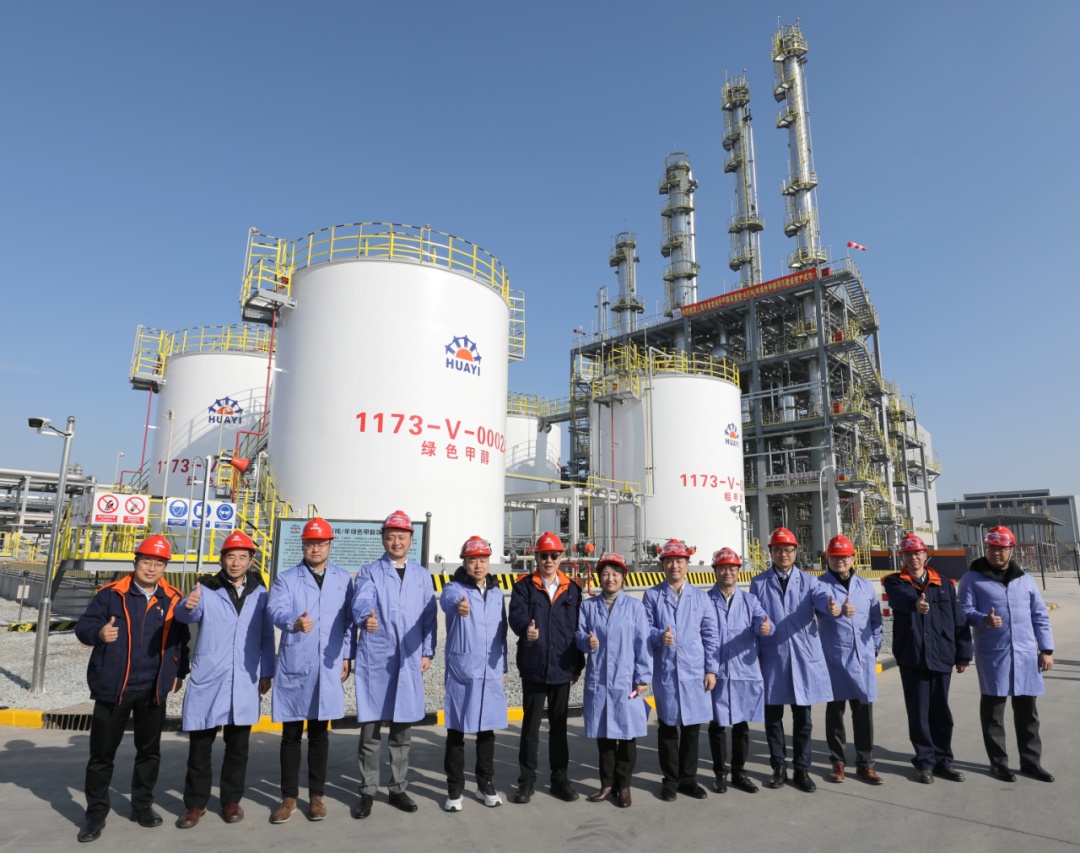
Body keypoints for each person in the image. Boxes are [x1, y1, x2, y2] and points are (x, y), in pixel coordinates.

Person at [74, 535, 190, 843]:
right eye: (146, 562)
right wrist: (99, 633)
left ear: (165, 567)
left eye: (158, 563)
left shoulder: (172, 598)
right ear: (135, 563)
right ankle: (95, 814)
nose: (151, 568)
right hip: (114, 687)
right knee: (102, 755)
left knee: (149, 752)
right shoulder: (110, 594)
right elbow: (83, 627)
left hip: (153, 689)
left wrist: (179, 671)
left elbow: (181, 640)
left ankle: (142, 806)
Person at [174, 530, 275, 828]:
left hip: (245, 675)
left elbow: (266, 635)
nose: (236, 562)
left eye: (242, 557)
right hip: (211, 675)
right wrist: (187, 605)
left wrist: (267, 671)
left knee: (238, 746)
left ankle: (232, 800)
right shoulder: (206, 588)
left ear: (251, 560)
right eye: (231, 556)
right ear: (222, 559)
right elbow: (187, 615)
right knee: (200, 745)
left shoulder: (260, 592)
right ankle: (195, 804)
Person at [267, 517, 355, 823]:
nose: (315, 549)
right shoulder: (286, 579)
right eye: (309, 543)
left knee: (319, 734)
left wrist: (347, 655)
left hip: (328, 663)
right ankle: (289, 797)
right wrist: (293, 621)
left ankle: (316, 796)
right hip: (297, 662)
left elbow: (348, 621)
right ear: (302, 546)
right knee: (291, 734)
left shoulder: (343, 579)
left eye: (320, 543)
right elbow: (275, 609)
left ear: (330, 545)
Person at [352, 510, 438, 817]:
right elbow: (362, 600)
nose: (396, 542)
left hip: (410, 657)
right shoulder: (369, 572)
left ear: (411, 539)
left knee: (402, 729)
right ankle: (367, 789)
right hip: (377, 657)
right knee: (371, 729)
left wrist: (427, 652)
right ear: (383, 539)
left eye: (402, 537)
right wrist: (366, 617)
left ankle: (398, 788)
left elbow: (429, 616)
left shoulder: (421, 575)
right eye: (391, 537)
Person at [957, 526, 1055, 783]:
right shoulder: (972, 578)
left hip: (1025, 654)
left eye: (1002, 548)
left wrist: (1046, 650)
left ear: (1011, 549)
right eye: (992, 548)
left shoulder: (1025, 579)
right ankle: (999, 764)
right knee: (994, 713)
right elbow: (963, 611)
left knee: (1028, 713)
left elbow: (1039, 615)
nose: (996, 553)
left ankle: (1031, 763)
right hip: (994, 654)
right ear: (985, 549)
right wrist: (983, 619)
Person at [749, 527, 839, 793]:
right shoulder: (758, 583)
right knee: (773, 718)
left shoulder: (810, 582)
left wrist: (830, 606)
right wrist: (759, 626)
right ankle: (778, 767)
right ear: (771, 552)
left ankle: (802, 768)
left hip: (802, 657)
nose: (783, 554)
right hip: (773, 657)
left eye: (788, 550)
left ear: (795, 551)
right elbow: (754, 613)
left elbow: (821, 599)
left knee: (803, 719)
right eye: (778, 550)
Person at [882, 532, 972, 784]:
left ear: (925, 555)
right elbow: (900, 599)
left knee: (941, 712)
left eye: (917, 553)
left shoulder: (944, 583)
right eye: (908, 554)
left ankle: (944, 762)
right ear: (902, 557)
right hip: (912, 656)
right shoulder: (895, 582)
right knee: (919, 713)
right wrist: (915, 604)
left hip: (942, 654)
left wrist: (963, 653)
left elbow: (959, 619)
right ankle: (924, 763)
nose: (913, 558)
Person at [508, 531, 585, 804]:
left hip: (562, 667)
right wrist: (524, 630)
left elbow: (578, 629)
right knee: (530, 728)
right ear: (536, 558)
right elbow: (516, 616)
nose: (548, 560)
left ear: (561, 557)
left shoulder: (572, 589)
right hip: (534, 665)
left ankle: (559, 779)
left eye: (553, 555)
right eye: (544, 556)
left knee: (559, 727)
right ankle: (526, 781)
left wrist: (578, 665)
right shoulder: (524, 587)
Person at [643, 538, 719, 801]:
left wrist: (711, 670)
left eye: (679, 561)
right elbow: (644, 629)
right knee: (667, 728)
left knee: (691, 729)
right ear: (662, 565)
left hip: (694, 671)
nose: (674, 566)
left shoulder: (700, 597)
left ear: (687, 564)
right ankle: (670, 780)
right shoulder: (652, 595)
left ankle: (688, 779)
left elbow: (710, 635)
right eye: (669, 561)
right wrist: (658, 636)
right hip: (667, 671)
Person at [575, 552, 650, 808]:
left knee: (627, 737)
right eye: (605, 574)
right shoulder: (588, 606)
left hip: (626, 680)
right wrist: (587, 642)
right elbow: (578, 636)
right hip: (600, 680)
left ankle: (624, 785)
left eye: (615, 573)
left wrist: (642, 678)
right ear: (599, 577)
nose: (610, 578)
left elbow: (643, 644)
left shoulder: (635, 607)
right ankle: (607, 785)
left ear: (623, 577)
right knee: (604, 736)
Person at [439, 536, 509, 812]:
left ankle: (484, 784)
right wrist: (459, 606)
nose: (478, 565)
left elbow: (501, 632)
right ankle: (454, 789)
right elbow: (448, 601)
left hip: (490, 670)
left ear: (489, 561)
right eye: (472, 560)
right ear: (464, 562)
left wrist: (502, 667)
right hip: (463, 670)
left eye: (482, 559)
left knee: (486, 731)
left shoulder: (496, 593)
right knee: (456, 731)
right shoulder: (454, 589)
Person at [817, 535, 883, 784]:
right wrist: (832, 610)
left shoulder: (865, 586)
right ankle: (838, 763)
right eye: (835, 557)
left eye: (844, 556)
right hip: (834, 658)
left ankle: (865, 764)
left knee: (864, 713)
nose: (840, 561)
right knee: (835, 713)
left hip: (862, 658)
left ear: (853, 558)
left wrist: (873, 647)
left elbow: (876, 619)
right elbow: (818, 607)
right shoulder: (819, 585)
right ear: (828, 559)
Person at [706, 547, 770, 795]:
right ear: (715, 571)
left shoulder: (750, 601)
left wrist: (765, 627)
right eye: (722, 568)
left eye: (732, 568)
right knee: (717, 725)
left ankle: (739, 772)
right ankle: (720, 774)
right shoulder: (705, 601)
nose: (727, 572)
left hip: (744, 669)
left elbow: (762, 621)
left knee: (741, 725)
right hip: (717, 670)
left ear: (738, 571)